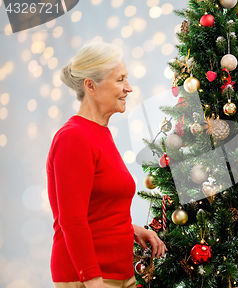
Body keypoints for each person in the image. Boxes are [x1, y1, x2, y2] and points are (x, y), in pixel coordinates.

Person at [47, 42, 167, 288]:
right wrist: (92, 281)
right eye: (120, 80)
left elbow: (98, 207)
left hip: (117, 272)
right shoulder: (74, 137)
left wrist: (130, 229)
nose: (129, 88)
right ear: (90, 85)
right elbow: (71, 219)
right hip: (91, 278)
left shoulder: (99, 133)